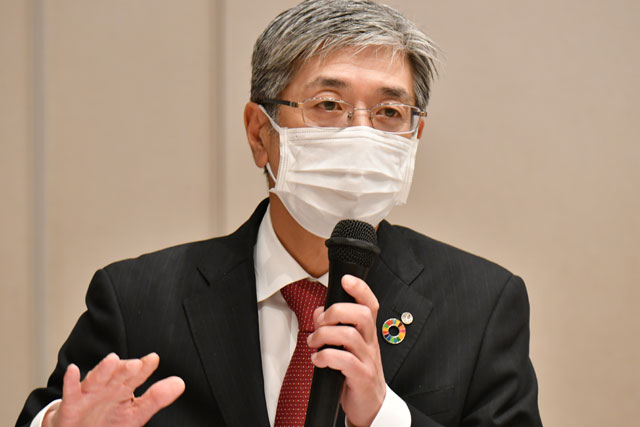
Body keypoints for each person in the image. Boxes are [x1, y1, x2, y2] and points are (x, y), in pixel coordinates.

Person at [16, 1, 542, 426]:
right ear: (259, 133)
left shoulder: (481, 305)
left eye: (389, 112)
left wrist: (385, 415)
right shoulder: (138, 300)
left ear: (414, 137)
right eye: (328, 105)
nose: (361, 135)